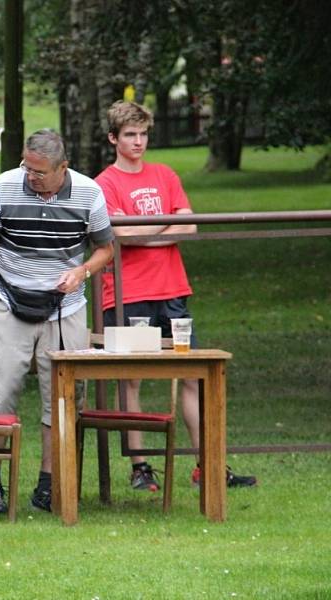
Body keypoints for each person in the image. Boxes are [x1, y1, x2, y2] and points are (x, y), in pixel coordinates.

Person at [0, 129, 115, 513]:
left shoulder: (89, 193)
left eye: (39, 171)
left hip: (64, 306)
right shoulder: (4, 187)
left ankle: (48, 485)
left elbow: (105, 248)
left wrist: (82, 273)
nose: (29, 176)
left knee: (62, 397)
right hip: (6, 297)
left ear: (62, 168)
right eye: (26, 166)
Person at [96, 100, 257, 491]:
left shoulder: (165, 174)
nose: (138, 142)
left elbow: (190, 225)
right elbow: (122, 234)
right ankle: (140, 467)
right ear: (113, 138)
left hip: (173, 293)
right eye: (130, 135)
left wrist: (153, 231)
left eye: (143, 134)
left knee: (193, 376)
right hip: (127, 295)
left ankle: (208, 466)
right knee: (131, 381)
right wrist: (167, 225)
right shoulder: (106, 183)